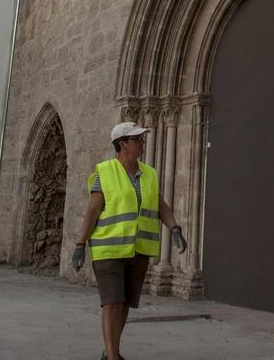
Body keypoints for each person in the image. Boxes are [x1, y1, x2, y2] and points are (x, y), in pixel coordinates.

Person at [71, 121, 187, 360]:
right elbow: (93, 210)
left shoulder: (149, 173)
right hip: (108, 250)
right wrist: (80, 245)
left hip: (138, 250)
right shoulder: (105, 172)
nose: (142, 142)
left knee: (124, 303)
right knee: (112, 302)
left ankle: (110, 351)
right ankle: (113, 357)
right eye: (137, 139)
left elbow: (159, 204)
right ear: (122, 144)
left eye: (142, 138)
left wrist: (174, 227)